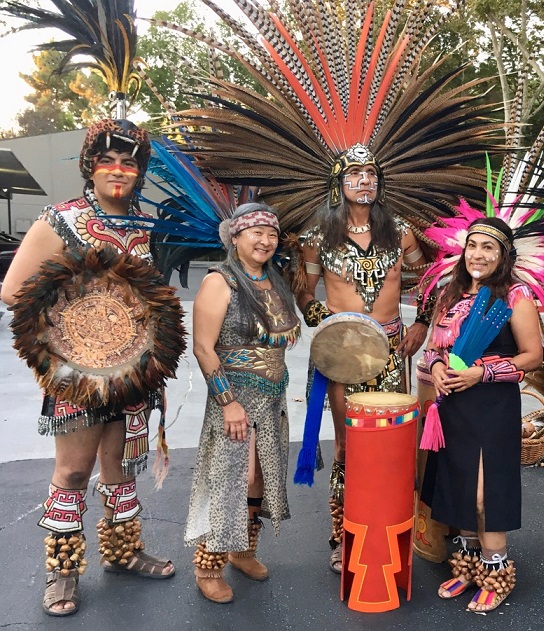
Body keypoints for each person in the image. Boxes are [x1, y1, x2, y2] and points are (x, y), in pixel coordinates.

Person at [1, 119, 176, 616]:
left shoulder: (145, 225)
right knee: (75, 471)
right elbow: (13, 290)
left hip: (132, 372)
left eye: (130, 162)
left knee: (120, 468)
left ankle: (122, 553)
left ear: (139, 172)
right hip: (77, 373)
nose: (119, 170)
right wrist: (81, 320)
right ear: (89, 167)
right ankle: (63, 570)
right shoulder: (62, 220)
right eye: (108, 161)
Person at [297, 145, 433, 572]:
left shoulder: (402, 231)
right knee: (347, 445)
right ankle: (344, 534)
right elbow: (304, 291)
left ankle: (388, 524)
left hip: (392, 351)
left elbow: (426, 279)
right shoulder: (318, 235)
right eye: (354, 173)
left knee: (390, 442)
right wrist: (328, 321)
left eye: (371, 173)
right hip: (344, 355)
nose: (364, 181)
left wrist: (421, 323)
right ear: (339, 182)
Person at [419, 216, 542, 613]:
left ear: (504, 255)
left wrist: (482, 372)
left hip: (491, 405)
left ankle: (497, 572)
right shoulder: (450, 292)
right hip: (453, 404)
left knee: (484, 492)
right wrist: (438, 368)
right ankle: (469, 566)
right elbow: (436, 346)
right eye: (473, 246)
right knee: (459, 485)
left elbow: (533, 357)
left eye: (488, 248)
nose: (478, 254)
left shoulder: (514, 296)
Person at [185, 202, 301, 603]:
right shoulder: (221, 282)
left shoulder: (275, 279)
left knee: (260, 478)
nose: (265, 240)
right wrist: (228, 403)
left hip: (272, 396)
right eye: (255, 232)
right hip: (234, 397)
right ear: (234, 237)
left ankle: (243, 549)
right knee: (231, 476)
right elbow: (203, 348)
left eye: (272, 233)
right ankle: (208, 564)